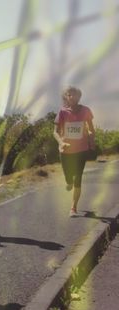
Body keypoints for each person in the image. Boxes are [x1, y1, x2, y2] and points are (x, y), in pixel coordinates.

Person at [53, 86, 95, 217]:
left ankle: (73, 207)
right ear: (66, 97)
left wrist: (91, 140)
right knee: (69, 178)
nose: (71, 97)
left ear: (79, 96)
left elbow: (91, 129)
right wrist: (61, 142)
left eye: (74, 94)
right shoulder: (62, 112)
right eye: (69, 95)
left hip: (81, 150)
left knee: (78, 178)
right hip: (65, 151)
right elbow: (54, 132)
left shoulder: (86, 110)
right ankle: (68, 182)